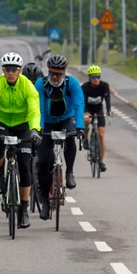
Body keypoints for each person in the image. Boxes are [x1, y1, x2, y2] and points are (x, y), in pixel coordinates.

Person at [0, 52, 40, 233]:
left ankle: (23, 208)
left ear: (20, 70)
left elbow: (33, 111)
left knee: (25, 164)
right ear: (3, 70)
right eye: (7, 70)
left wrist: (34, 130)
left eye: (14, 70)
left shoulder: (28, 87)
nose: (10, 73)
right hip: (2, 122)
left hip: (23, 125)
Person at [34, 54, 84, 220]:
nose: (54, 77)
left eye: (58, 73)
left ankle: (69, 171)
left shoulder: (72, 84)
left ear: (64, 72)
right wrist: (38, 128)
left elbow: (78, 105)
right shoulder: (41, 83)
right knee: (42, 162)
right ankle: (46, 202)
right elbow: (39, 107)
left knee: (70, 139)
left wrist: (80, 127)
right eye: (52, 73)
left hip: (65, 120)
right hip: (46, 123)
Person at [82, 65, 112, 172]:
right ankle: (85, 137)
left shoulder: (104, 86)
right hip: (88, 108)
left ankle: (101, 160)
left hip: (99, 110)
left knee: (101, 134)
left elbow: (108, 99)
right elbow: (82, 102)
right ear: (89, 77)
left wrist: (109, 111)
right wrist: (83, 113)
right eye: (94, 77)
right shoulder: (85, 87)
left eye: (98, 77)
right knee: (87, 120)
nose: (96, 80)